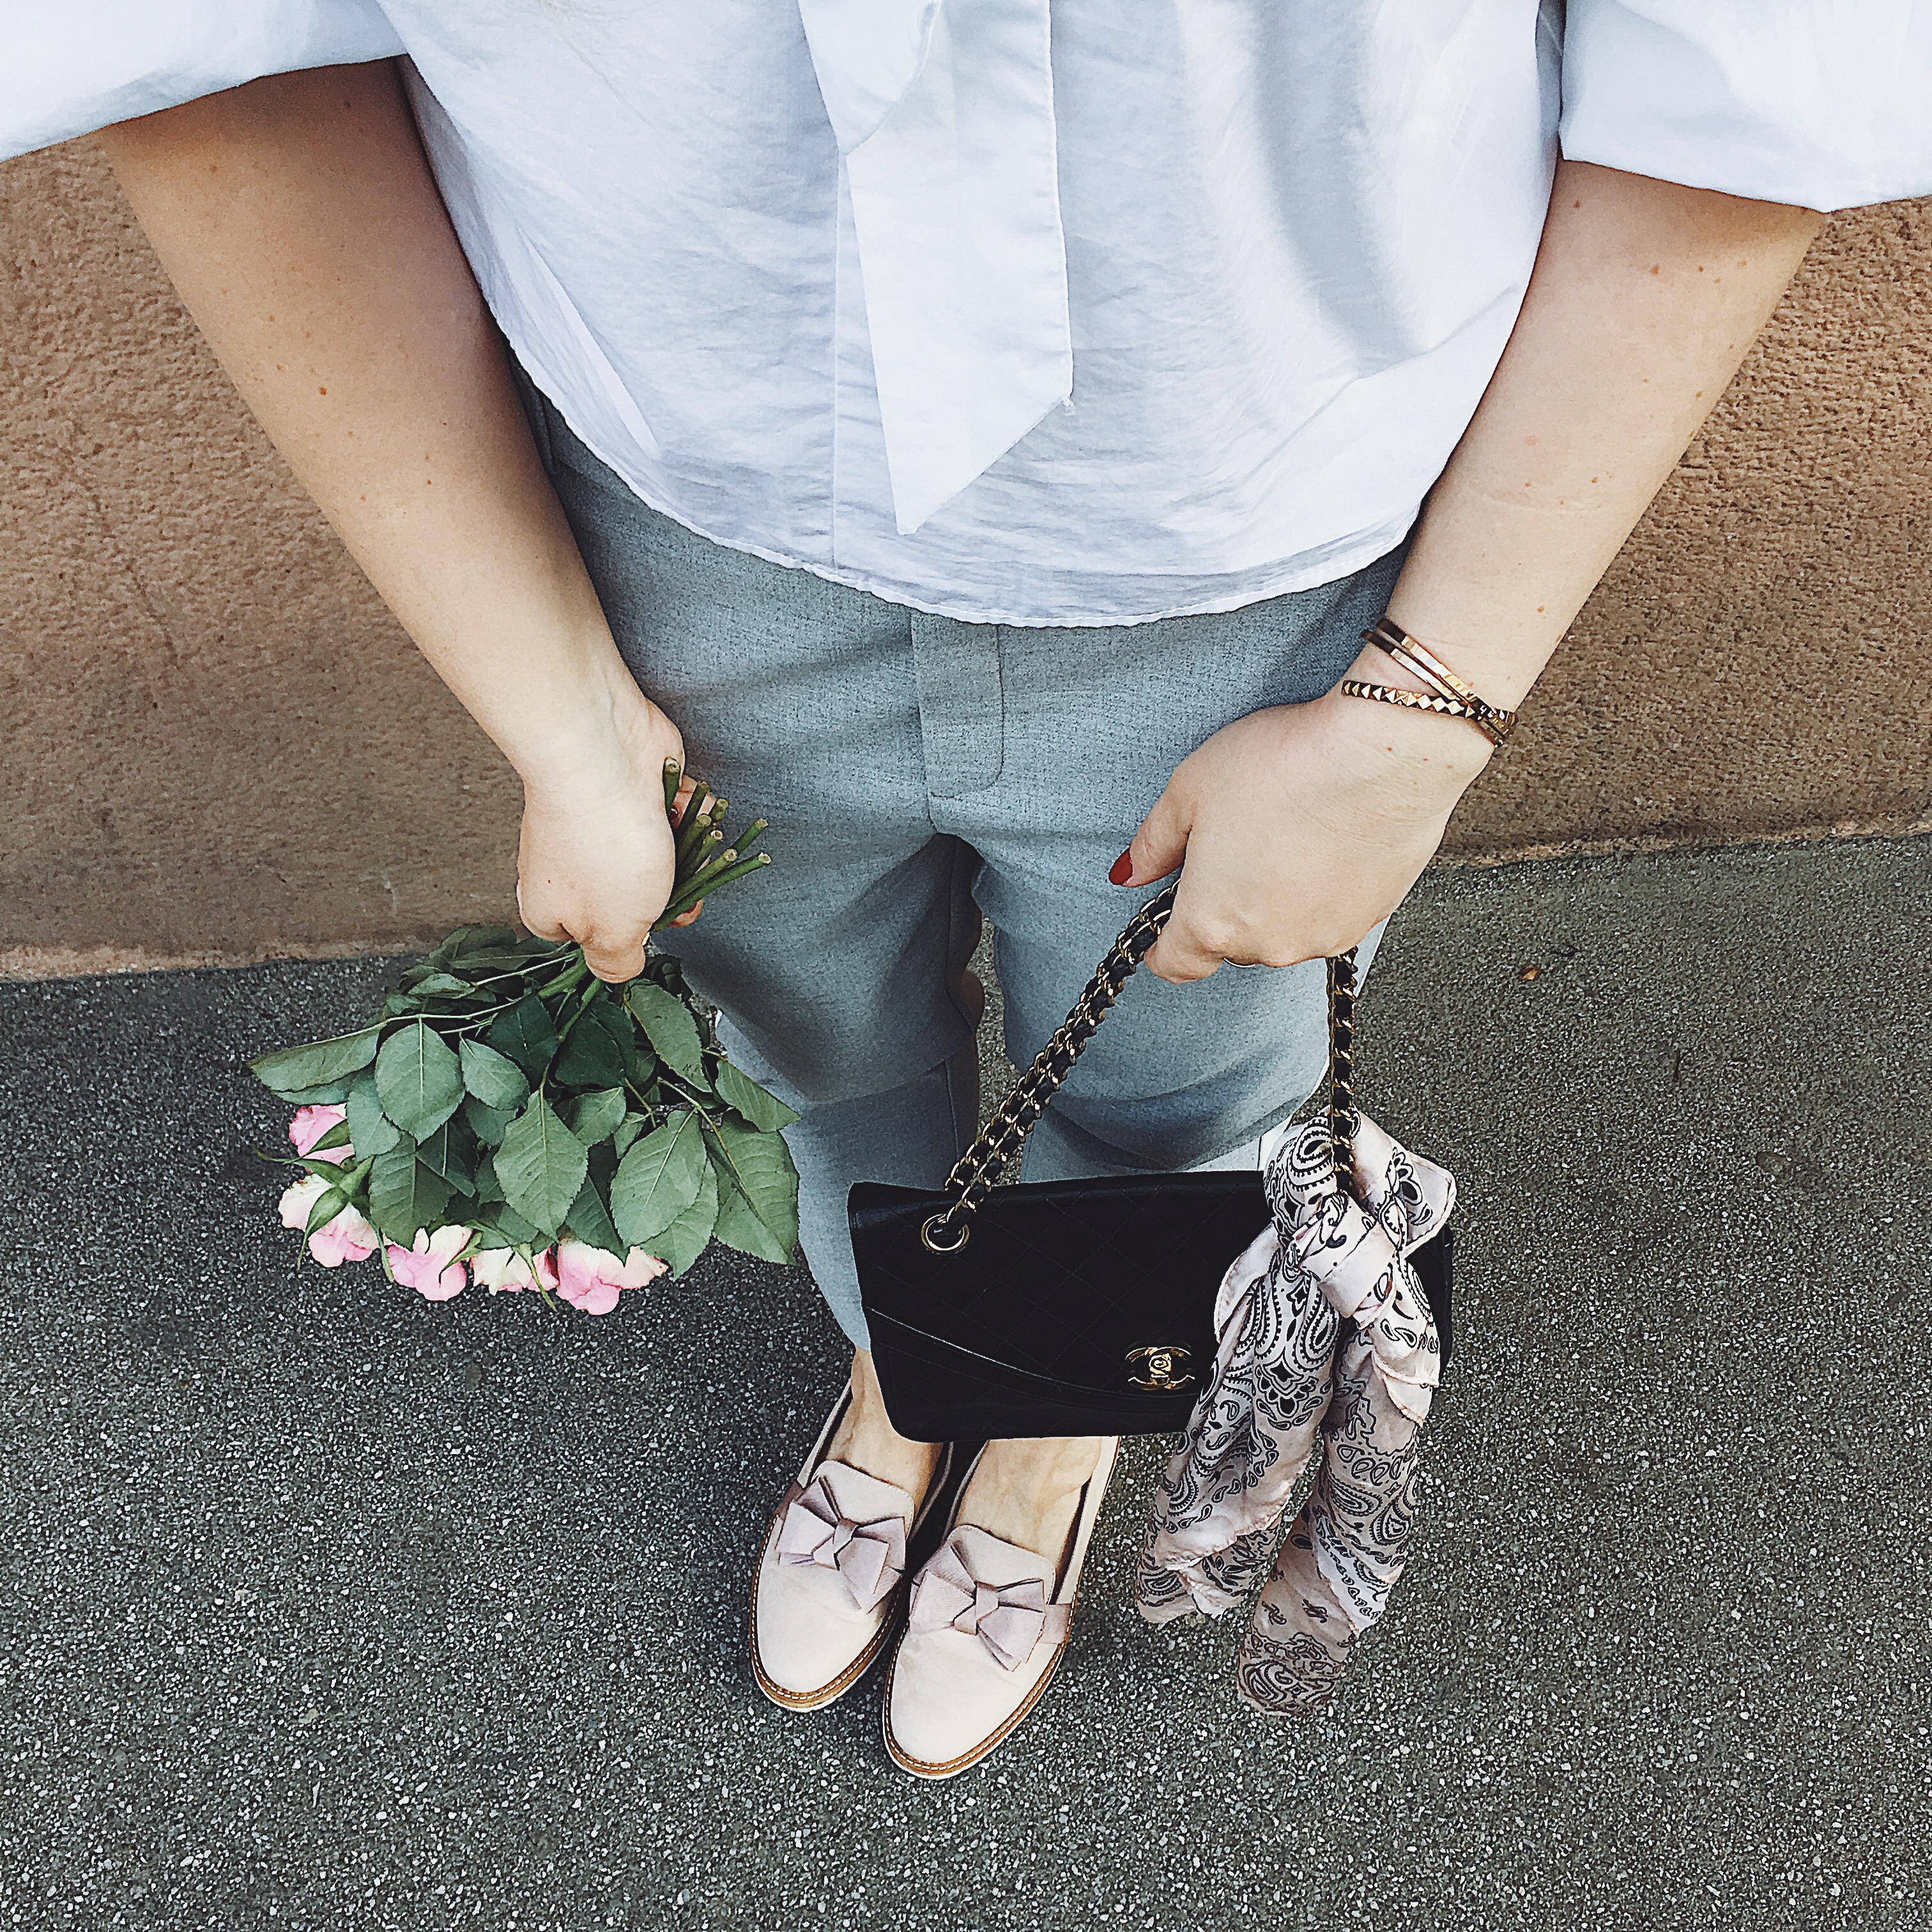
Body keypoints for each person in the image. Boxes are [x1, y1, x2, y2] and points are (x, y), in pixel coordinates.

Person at [10, 3, 1926, 1777]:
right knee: (808, 1042)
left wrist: (1423, 708)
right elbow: (217, 56)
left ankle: (1055, 1411)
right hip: (686, 526)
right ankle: (916, 1360)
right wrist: (552, 705)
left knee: (1182, 1087)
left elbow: (1747, 67)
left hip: (1251, 544)